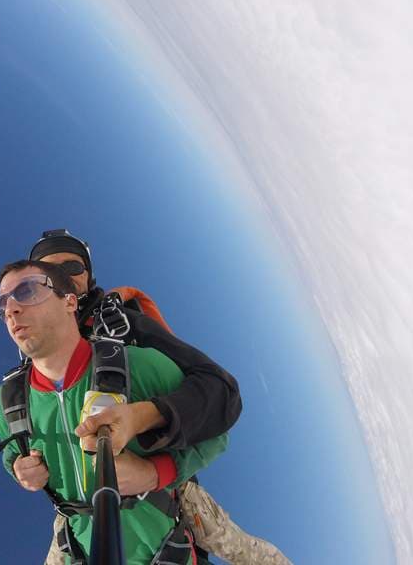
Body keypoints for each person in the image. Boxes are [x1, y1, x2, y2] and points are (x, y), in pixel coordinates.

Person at [29, 230, 291, 565]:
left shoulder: (120, 325)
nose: (62, 277)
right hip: (76, 506)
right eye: (48, 273)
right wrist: (25, 464)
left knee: (249, 555)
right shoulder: (35, 359)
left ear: (89, 277)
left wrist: (154, 458)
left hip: (165, 486)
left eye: (72, 266)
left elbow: (221, 393)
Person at [0, 260, 228, 564]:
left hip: (162, 551)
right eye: (3, 303)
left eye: (27, 291)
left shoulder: (140, 367)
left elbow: (214, 431)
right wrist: (18, 468)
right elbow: (9, 447)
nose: (11, 309)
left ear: (69, 302)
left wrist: (154, 473)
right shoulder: (6, 403)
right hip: (79, 549)